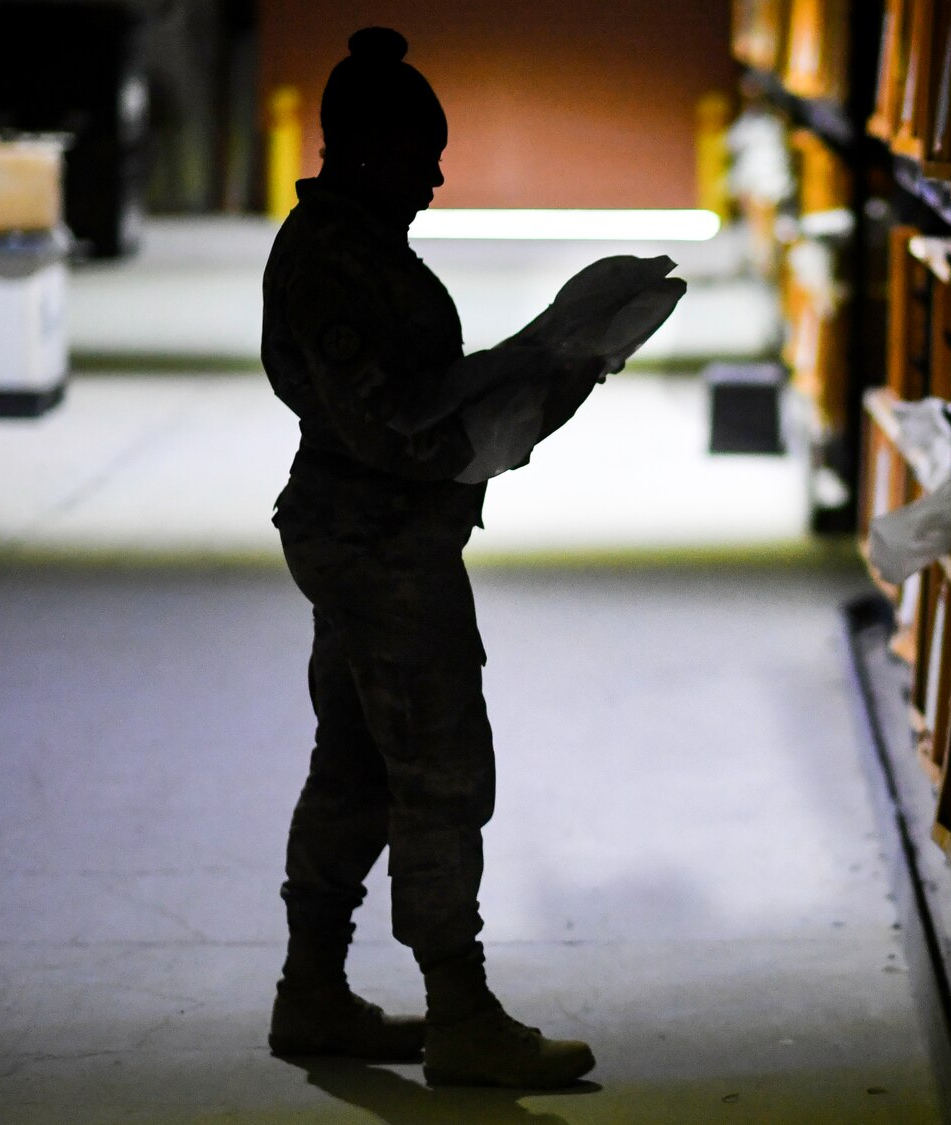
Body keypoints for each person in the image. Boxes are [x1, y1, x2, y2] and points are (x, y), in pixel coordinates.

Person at [259, 26, 610, 1089]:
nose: (438, 177)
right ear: (365, 153)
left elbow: (420, 394)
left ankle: (312, 994)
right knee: (440, 773)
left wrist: (525, 361)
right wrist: (546, 392)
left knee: (360, 767)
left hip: (368, 539)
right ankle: (460, 1012)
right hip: (379, 551)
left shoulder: (359, 245)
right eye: (420, 156)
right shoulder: (332, 261)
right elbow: (399, 434)